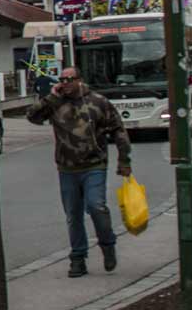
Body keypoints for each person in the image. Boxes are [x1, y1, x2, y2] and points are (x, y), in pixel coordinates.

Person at [26, 66, 132, 278]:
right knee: (73, 215)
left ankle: (107, 244)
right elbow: (32, 116)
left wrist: (124, 159)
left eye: (70, 79)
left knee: (96, 206)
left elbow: (118, 129)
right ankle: (78, 257)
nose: (65, 83)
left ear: (80, 80)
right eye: (62, 79)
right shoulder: (56, 103)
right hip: (67, 168)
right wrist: (51, 97)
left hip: (94, 165)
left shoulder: (97, 102)